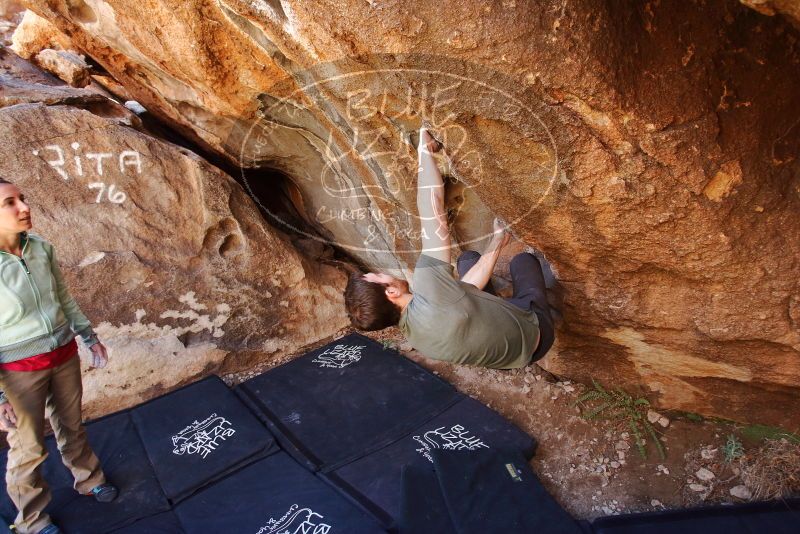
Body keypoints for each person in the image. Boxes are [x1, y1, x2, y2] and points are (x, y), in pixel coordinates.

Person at [344, 127, 555, 368]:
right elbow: (433, 210)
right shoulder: (428, 285)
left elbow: (458, 296)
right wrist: (425, 150)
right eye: (379, 276)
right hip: (537, 337)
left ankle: (503, 290)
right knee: (523, 262)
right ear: (391, 293)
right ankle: (546, 309)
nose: (384, 273)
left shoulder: (416, 337)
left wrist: (496, 243)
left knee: (468, 260)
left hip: (514, 358)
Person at [0, 177, 118, 534]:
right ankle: (33, 521)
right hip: (18, 371)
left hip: (63, 354)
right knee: (28, 448)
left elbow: (63, 299)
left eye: (22, 198)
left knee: (71, 425)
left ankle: (88, 478)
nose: (24, 207)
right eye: (10, 203)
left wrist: (88, 335)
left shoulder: (40, 248)